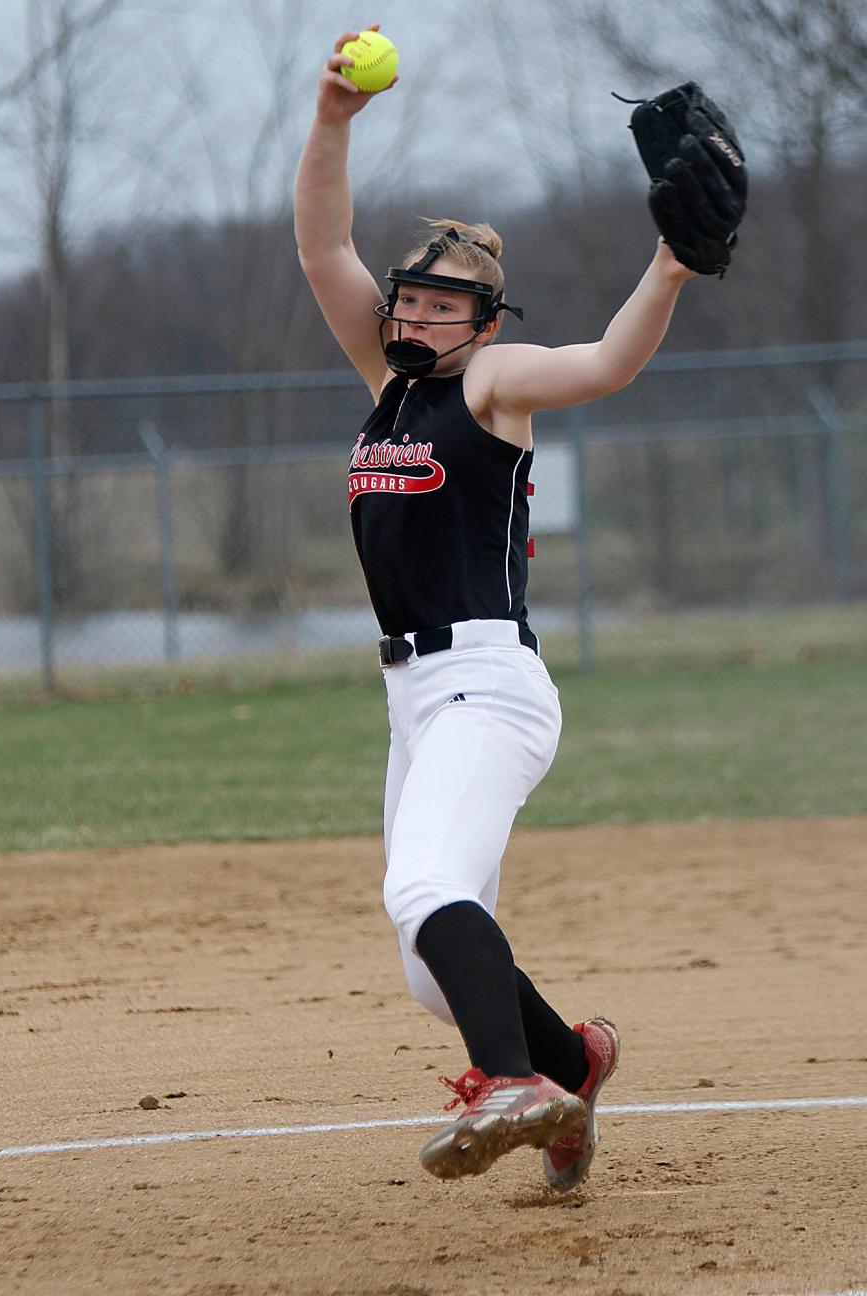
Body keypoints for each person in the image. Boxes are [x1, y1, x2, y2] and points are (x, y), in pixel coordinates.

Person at [294, 25, 698, 1185]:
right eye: (411, 296)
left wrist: (666, 268)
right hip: (416, 697)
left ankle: (512, 1086)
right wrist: (333, 118)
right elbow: (322, 242)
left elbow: (610, 362)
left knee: (421, 889)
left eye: (447, 302)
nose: (419, 313)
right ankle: (572, 1065)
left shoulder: (489, 385)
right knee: (430, 960)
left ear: (483, 321)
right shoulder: (385, 391)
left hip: (489, 682)